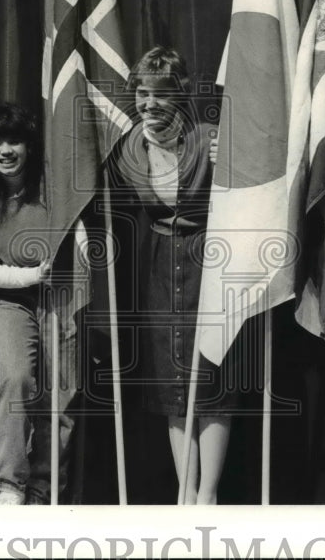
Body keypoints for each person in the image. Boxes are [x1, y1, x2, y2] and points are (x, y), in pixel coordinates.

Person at [109, 46, 235, 504]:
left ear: (179, 94)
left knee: (212, 376)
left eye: (160, 94)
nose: (149, 103)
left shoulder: (209, 138)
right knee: (171, 382)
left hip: (211, 257)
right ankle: (184, 492)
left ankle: (208, 493)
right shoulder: (127, 147)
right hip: (160, 261)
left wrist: (230, 161)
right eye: (142, 93)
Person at [0, 102, 69, 505]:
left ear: (30, 146)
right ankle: (11, 486)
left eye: (15, 141)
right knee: (15, 379)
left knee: (63, 389)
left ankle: (43, 488)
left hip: (65, 295)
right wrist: (31, 275)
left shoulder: (54, 186)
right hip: (12, 299)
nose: (6, 150)